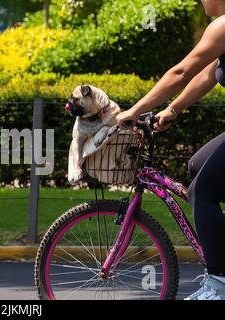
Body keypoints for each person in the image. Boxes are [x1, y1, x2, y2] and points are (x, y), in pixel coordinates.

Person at [116, 0, 225, 300]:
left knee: (202, 192)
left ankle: (220, 286)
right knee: (196, 167)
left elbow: (181, 72)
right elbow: (207, 74)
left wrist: (135, 110)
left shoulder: (223, 26)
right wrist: (173, 109)